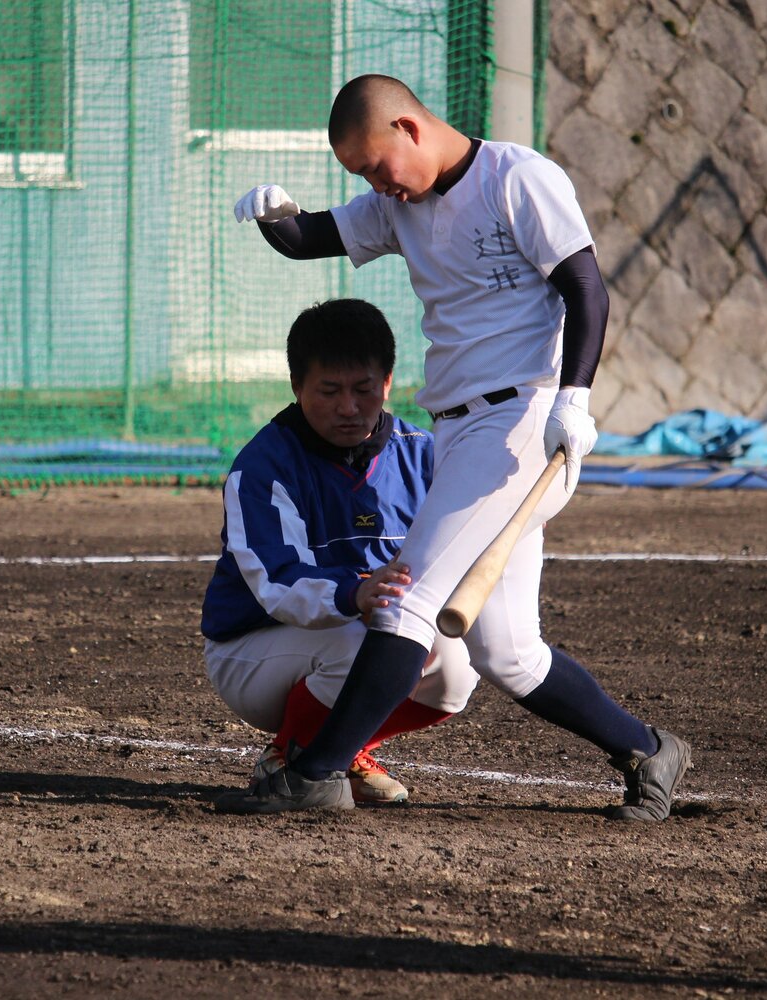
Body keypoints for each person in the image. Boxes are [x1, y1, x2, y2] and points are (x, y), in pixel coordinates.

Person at [222, 73, 691, 819]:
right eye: (362, 177)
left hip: (520, 428)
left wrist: (574, 398)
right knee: (508, 651)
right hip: (461, 428)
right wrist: (275, 214)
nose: (378, 186)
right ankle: (650, 750)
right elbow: (313, 237)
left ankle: (314, 773)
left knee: (407, 602)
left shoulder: (518, 177)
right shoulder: (398, 206)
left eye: (377, 166)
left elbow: (586, 288)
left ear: (409, 127)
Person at [202, 297, 480, 809]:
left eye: (363, 389)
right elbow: (278, 585)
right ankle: (291, 759)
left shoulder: (426, 454)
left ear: (389, 383)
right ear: (296, 387)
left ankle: (341, 750)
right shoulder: (264, 466)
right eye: (329, 391)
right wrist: (355, 592)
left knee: (457, 670)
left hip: (356, 630)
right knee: (368, 645)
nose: (349, 408)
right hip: (253, 649)